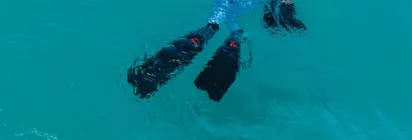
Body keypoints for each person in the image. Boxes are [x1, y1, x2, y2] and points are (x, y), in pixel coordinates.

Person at [126, 0, 306, 102]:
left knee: (208, 30)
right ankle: (226, 54)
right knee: (235, 35)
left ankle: (149, 76)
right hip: (239, 11)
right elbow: (276, 10)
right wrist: (284, 17)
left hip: (223, 7)